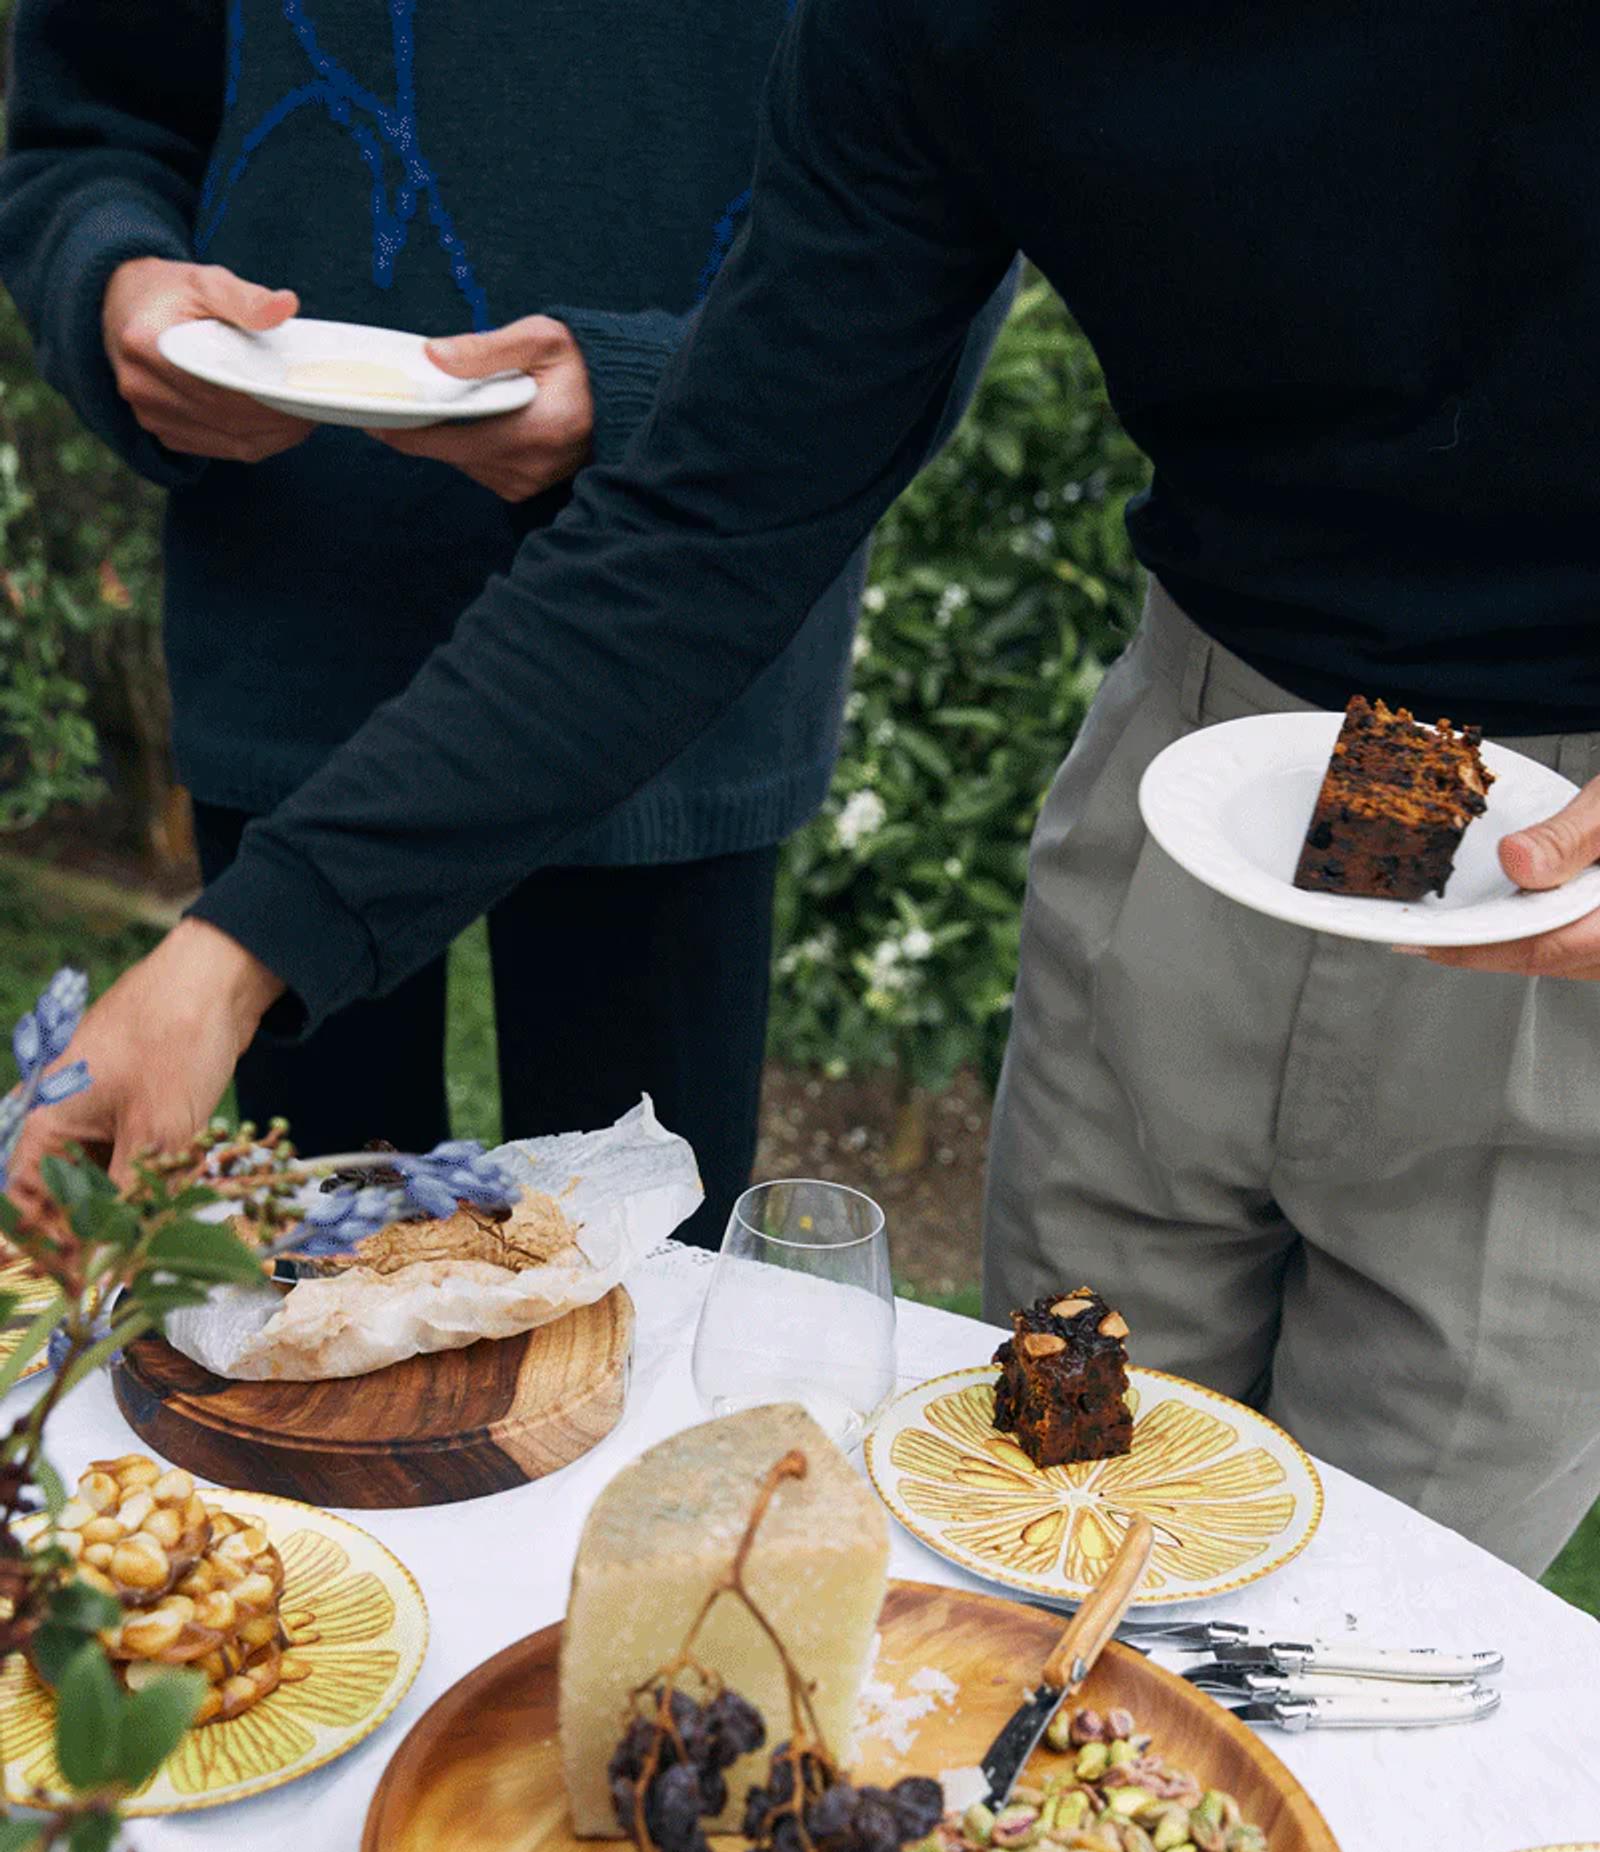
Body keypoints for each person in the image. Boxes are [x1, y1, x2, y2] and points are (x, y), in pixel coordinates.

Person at [8, 0, 1600, 1577]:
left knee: (1391, 1616)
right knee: (1038, 1521)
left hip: (1554, 845)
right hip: (1201, 767)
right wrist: (235, 959)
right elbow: (717, 511)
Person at [0, 0, 1009, 1244]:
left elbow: (943, 224)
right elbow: (88, 130)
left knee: (637, 1302)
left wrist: (665, 395)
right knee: (304, 1310)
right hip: (291, 624)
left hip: (671, 676)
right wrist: (113, 279)